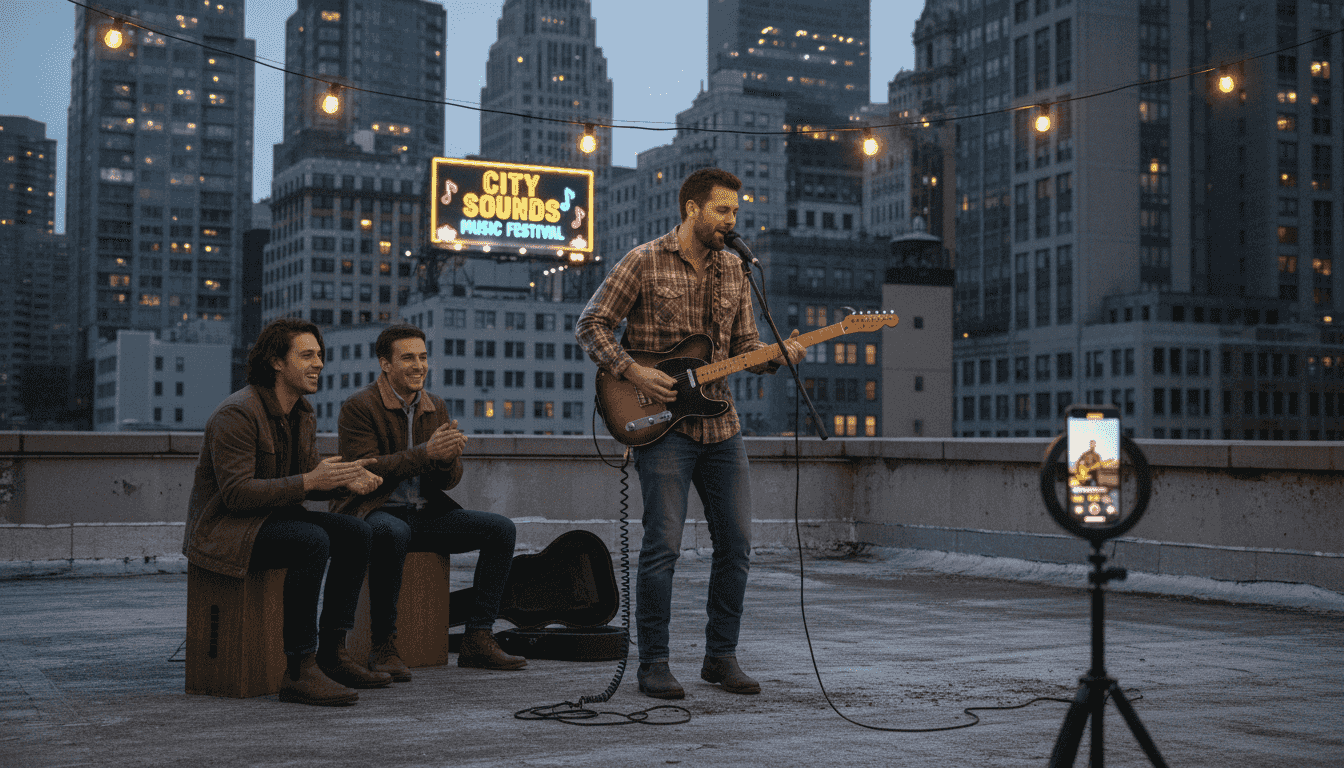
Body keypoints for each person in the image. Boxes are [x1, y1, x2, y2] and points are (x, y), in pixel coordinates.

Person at [575, 168, 805, 700]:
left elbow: (746, 347)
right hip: (662, 429)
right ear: (691, 209)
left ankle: (720, 657)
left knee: (738, 546)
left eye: (735, 213)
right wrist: (633, 371)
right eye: (722, 211)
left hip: (722, 426)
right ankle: (654, 663)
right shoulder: (644, 260)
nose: (731, 221)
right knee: (663, 549)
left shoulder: (735, 270)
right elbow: (591, 324)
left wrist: (778, 356)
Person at [184, 318, 391, 706]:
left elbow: (309, 474)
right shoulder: (238, 414)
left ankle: (332, 653)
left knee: (356, 532)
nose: (319, 364)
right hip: (226, 531)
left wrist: (346, 477)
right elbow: (236, 495)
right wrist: (312, 481)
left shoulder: (302, 413)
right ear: (277, 362)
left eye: (319, 355)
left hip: (270, 519)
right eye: (307, 355)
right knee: (311, 540)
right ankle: (299, 669)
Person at [333, 323, 526, 677]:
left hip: (423, 513)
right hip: (373, 511)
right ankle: (383, 645)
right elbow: (367, 469)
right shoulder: (359, 407)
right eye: (407, 357)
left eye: (423, 357)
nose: (418, 365)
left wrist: (448, 458)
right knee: (392, 532)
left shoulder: (434, 405)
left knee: (500, 530)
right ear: (385, 364)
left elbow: (447, 482)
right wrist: (426, 452)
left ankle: (478, 638)